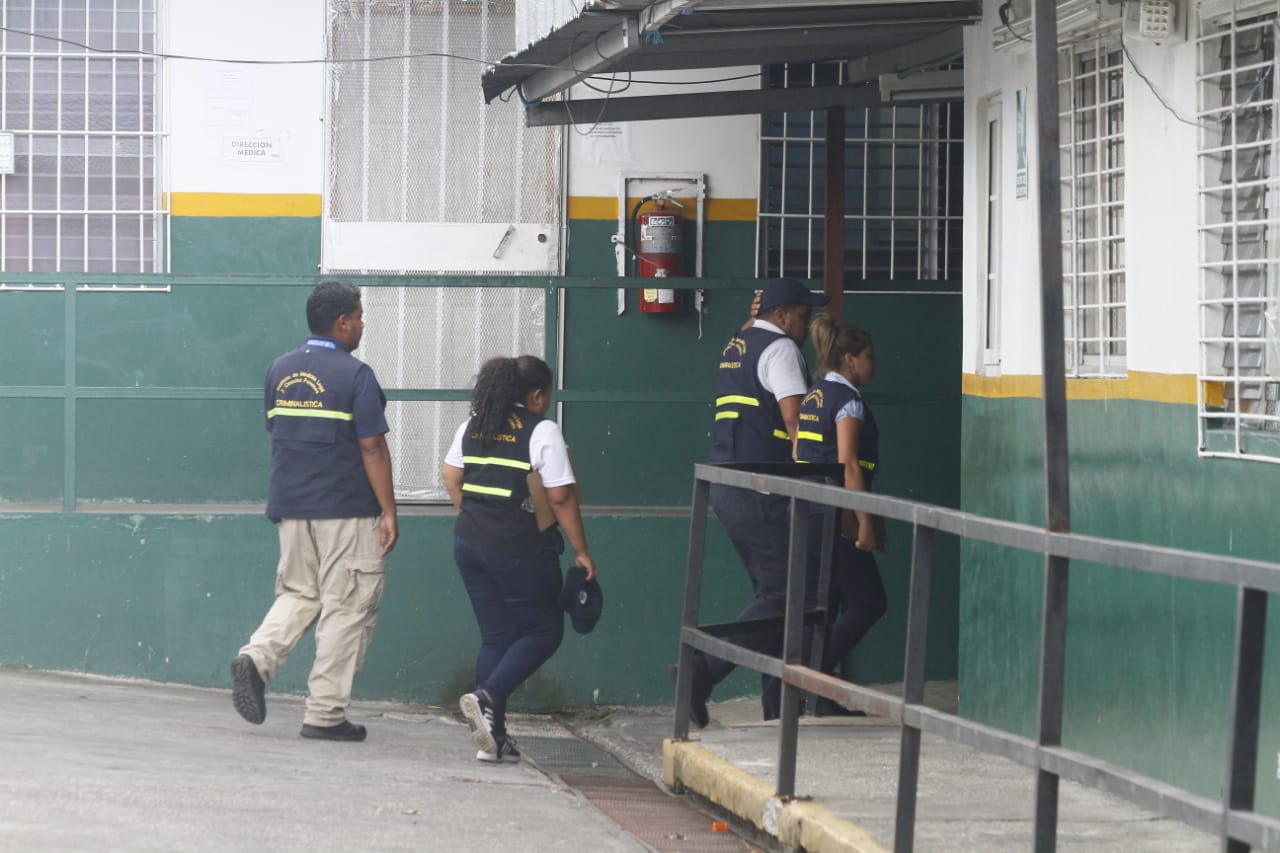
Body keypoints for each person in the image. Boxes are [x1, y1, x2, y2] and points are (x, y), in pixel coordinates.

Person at [230, 281, 398, 743]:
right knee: (347, 606)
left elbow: (277, 431)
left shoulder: (278, 371)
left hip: (291, 506)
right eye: (359, 316)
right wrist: (388, 510)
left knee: (300, 594)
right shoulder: (356, 375)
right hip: (344, 510)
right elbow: (372, 447)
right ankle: (325, 714)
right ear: (342, 322)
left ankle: (257, 658)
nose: (362, 324)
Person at [684, 277, 831, 728]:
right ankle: (701, 672)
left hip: (729, 483)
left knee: (774, 594)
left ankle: (776, 703)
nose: (807, 325)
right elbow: (793, 418)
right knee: (789, 594)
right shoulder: (783, 349)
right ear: (782, 315)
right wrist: (813, 476)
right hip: (763, 486)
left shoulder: (737, 344)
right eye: (803, 315)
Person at [442, 355, 597, 763]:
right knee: (545, 632)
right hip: (519, 548)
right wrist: (581, 551)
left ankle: (492, 738)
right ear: (536, 394)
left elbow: (450, 476)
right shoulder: (541, 429)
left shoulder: (473, 425)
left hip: (469, 543)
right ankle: (487, 695)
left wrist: (475, 516)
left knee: (497, 636)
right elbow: (561, 498)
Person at [794, 317, 888, 715]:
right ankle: (811, 676)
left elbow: (797, 452)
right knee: (869, 602)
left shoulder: (814, 395)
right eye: (868, 357)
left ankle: (817, 697)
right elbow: (849, 462)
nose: (873, 364)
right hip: (837, 514)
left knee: (827, 603)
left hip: (809, 510)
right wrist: (865, 521)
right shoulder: (848, 401)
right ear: (849, 359)